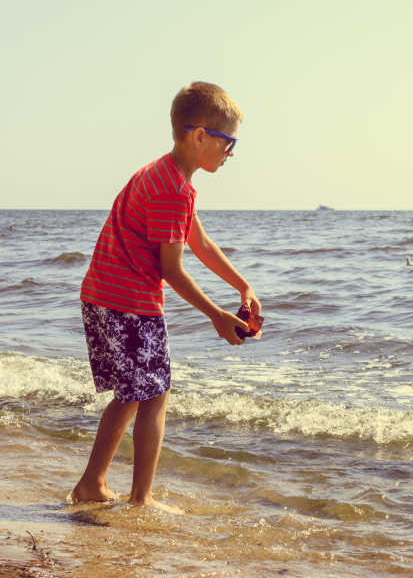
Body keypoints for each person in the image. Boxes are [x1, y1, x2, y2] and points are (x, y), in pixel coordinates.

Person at [70, 81, 260, 513]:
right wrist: (215, 315)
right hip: (129, 303)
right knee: (155, 395)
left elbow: (201, 244)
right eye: (228, 143)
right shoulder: (172, 189)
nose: (231, 153)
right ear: (199, 136)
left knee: (131, 393)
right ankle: (141, 498)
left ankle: (91, 483)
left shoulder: (166, 175)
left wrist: (243, 287)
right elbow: (171, 269)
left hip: (104, 296)